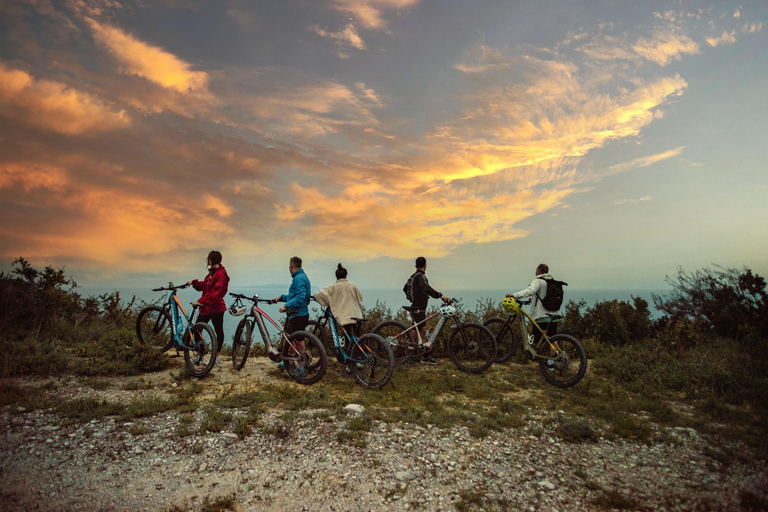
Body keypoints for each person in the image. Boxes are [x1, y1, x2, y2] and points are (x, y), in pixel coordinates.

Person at [405, 256, 450, 365]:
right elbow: (426, 288)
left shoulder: (413, 276)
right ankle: (423, 357)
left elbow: (405, 288)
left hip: (415, 306)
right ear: (425, 265)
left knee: (416, 333)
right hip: (419, 308)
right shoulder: (421, 277)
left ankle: (409, 357)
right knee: (421, 332)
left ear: (415, 266)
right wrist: (440, 295)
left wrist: (412, 298)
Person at [187, 250, 230, 362]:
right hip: (206, 308)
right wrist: (194, 283)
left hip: (216, 308)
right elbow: (206, 286)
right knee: (197, 329)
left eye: (209, 258)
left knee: (218, 332)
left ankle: (217, 357)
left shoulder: (220, 274)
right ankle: (200, 354)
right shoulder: (212, 273)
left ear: (211, 260)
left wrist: (200, 301)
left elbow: (215, 293)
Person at [506, 263, 560, 345]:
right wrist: (533, 298)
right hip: (553, 314)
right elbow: (545, 295)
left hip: (541, 316)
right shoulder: (551, 281)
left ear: (538, 271)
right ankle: (557, 357)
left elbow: (530, 291)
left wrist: (515, 295)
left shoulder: (538, 281)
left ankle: (538, 357)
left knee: (537, 341)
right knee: (553, 338)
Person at [313, 263, 363, 336]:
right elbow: (360, 298)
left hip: (345, 318)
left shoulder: (333, 287)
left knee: (348, 339)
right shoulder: (353, 286)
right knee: (357, 339)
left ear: (336, 276)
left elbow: (319, 294)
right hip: (356, 315)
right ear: (346, 276)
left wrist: (314, 297)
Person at [272, 256, 311, 334]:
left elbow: (300, 298)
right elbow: (294, 296)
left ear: (291, 266)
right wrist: (281, 297)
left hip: (297, 314)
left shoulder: (299, 278)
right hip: (301, 314)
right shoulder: (301, 276)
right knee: (298, 340)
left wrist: (286, 306)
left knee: (292, 341)